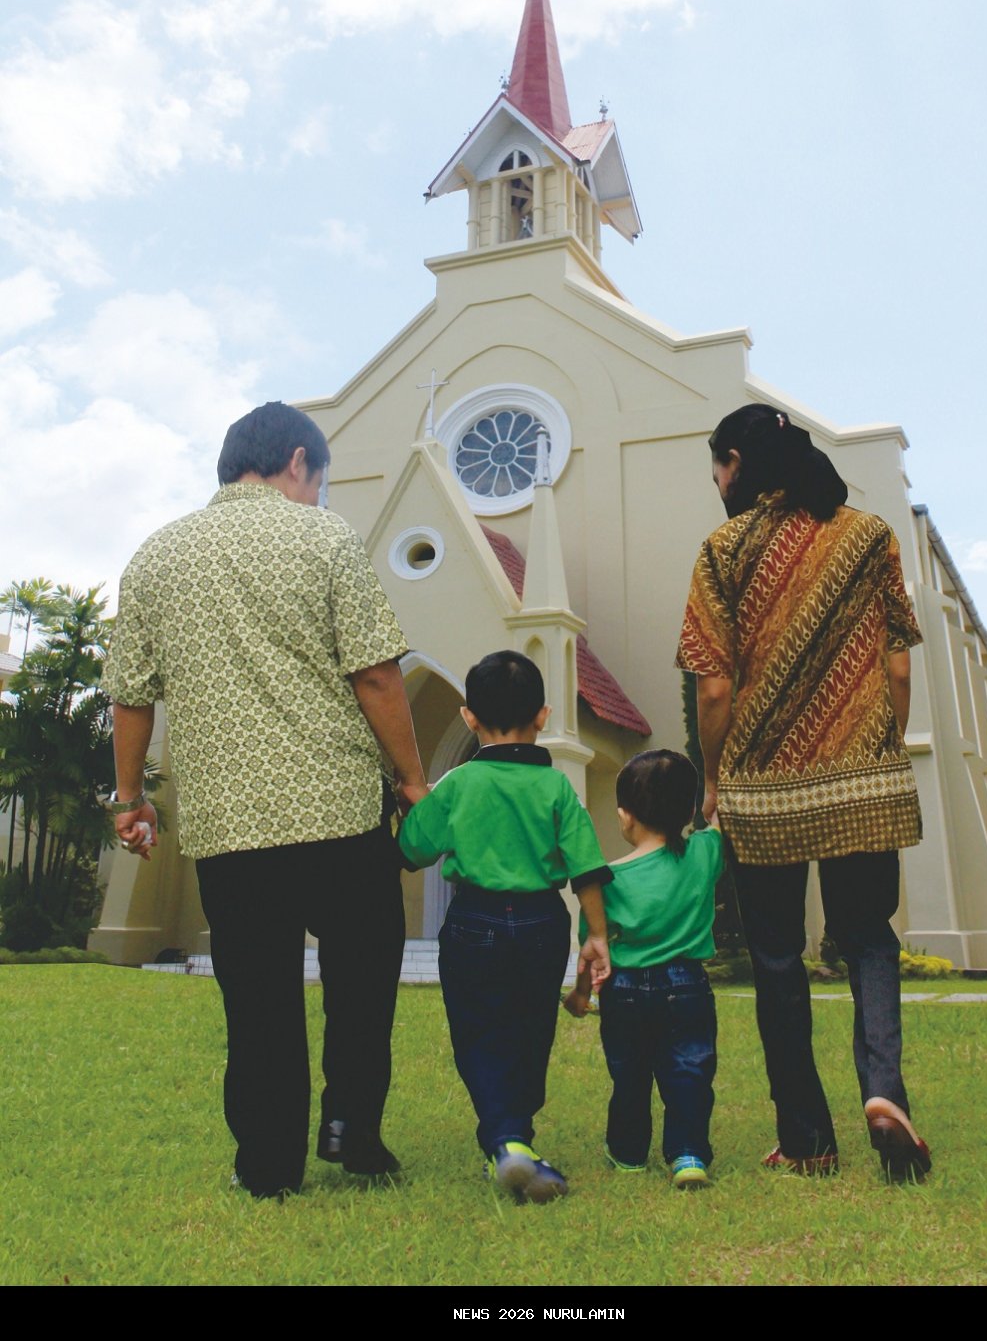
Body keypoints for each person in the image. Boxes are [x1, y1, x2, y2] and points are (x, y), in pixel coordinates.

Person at [102, 401, 427, 1200]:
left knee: (257, 1000)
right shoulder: (325, 538)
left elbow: (132, 698)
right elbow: (377, 675)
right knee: (361, 982)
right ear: (295, 462)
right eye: (319, 479)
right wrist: (414, 781)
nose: (318, 493)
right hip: (339, 814)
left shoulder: (155, 557)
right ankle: (352, 1133)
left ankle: (267, 1165)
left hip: (230, 825)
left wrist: (131, 797)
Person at [676, 403, 931, 1183]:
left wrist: (714, 779)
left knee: (777, 958)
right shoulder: (869, 535)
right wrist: (879, 743)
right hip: (863, 778)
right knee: (871, 939)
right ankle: (884, 1094)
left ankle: (808, 1138)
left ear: (734, 463)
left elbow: (713, 688)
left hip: (765, 786)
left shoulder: (723, 549)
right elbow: (895, 663)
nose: (716, 481)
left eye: (715, 466)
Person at [397, 650, 611, 1202]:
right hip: (542, 920)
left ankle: (507, 1139)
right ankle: (517, 1138)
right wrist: (597, 935)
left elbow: (413, 849)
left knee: (479, 1034)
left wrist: (412, 803)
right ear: (543, 716)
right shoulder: (557, 788)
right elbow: (587, 868)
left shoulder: (458, 784)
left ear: (468, 718)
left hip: (474, 919)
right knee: (530, 1029)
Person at [563, 749, 724, 1190]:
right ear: (686, 809)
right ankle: (688, 1154)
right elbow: (720, 820)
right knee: (690, 1070)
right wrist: (708, 803)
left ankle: (628, 1153)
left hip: (625, 990)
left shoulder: (609, 880)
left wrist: (580, 995)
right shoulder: (705, 853)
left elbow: (592, 952)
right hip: (687, 983)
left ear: (625, 816)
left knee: (629, 1073)